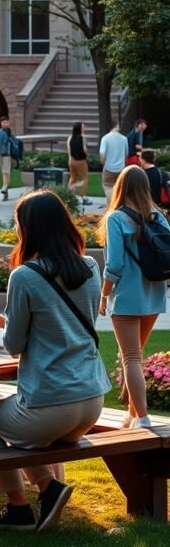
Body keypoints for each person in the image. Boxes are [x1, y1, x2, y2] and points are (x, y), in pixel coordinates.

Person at [0, 189, 109, 531]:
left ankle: (19, 508)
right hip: (91, 401)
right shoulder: (91, 266)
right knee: (26, 429)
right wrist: (4, 317)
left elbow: (14, 345)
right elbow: (62, 324)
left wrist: (7, 324)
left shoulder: (25, 276)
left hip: (52, 402)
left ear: (29, 229)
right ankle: (48, 488)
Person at [97, 165, 170, 428]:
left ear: (121, 187)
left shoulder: (116, 218)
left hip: (128, 296)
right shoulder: (158, 217)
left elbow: (114, 265)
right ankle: (131, 413)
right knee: (135, 354)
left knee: (130, 357)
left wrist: (104, 295)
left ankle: (142, 417)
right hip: (154, 294)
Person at [99, 122, 128, 203]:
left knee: (108, 186)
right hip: (121, 168)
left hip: (108, 167)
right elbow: (126, 154)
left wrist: (103, 163)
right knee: (119, 188)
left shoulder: (105, 138)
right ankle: (119, 204)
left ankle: (111, 204)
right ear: (117, 126)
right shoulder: (124, 138)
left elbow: (102, 153)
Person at [67, 121, 91, 206]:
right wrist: (87, 156)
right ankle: (83, 196)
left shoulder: (70, 138)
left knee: (73, 178)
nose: (84, 128)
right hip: (81, 161)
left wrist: (71, 159)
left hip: (72, 161)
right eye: (83, 127)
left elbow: (69, 151)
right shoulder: (83, 138)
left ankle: (70, 196)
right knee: (85, 178)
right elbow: (84, 149)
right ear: (80, 129)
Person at [0, 116, 14, 201]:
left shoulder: (9, 132)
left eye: (6, 122)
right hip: (0, 155)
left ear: (8, 123)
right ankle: (5, 193)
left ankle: (4, 188)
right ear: (1, 123)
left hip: (8, 155)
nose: (4, 124)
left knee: (6, 172)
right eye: (3, 122)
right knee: (4, 173)